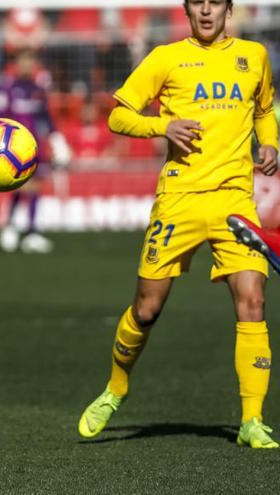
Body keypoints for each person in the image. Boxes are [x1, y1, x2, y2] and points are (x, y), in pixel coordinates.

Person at [78, 0, 279, 448]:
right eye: (198, 4)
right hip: (179, 200)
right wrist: (162, 126)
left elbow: (264, 110)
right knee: (147, 309)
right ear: (187, 10)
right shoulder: (165, 57)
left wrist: (269, 145)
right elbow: (118, 114)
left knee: (253, 302)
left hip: (234, 201)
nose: (206, 12)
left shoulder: (254, 57)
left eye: (215, 4)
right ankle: (116, 387)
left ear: (229, 9)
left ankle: (251, 420)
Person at [0, 49, 70, 253]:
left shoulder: (38, 89)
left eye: (30, 62)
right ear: (16, 64)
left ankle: (29, 231)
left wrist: (56, 138)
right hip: (14, 147)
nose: (27, 65)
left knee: (35, 186)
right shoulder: (8, 88)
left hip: (35, 145)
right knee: (23, 186)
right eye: (23, 61)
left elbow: (45, 117)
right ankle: (14, 227)